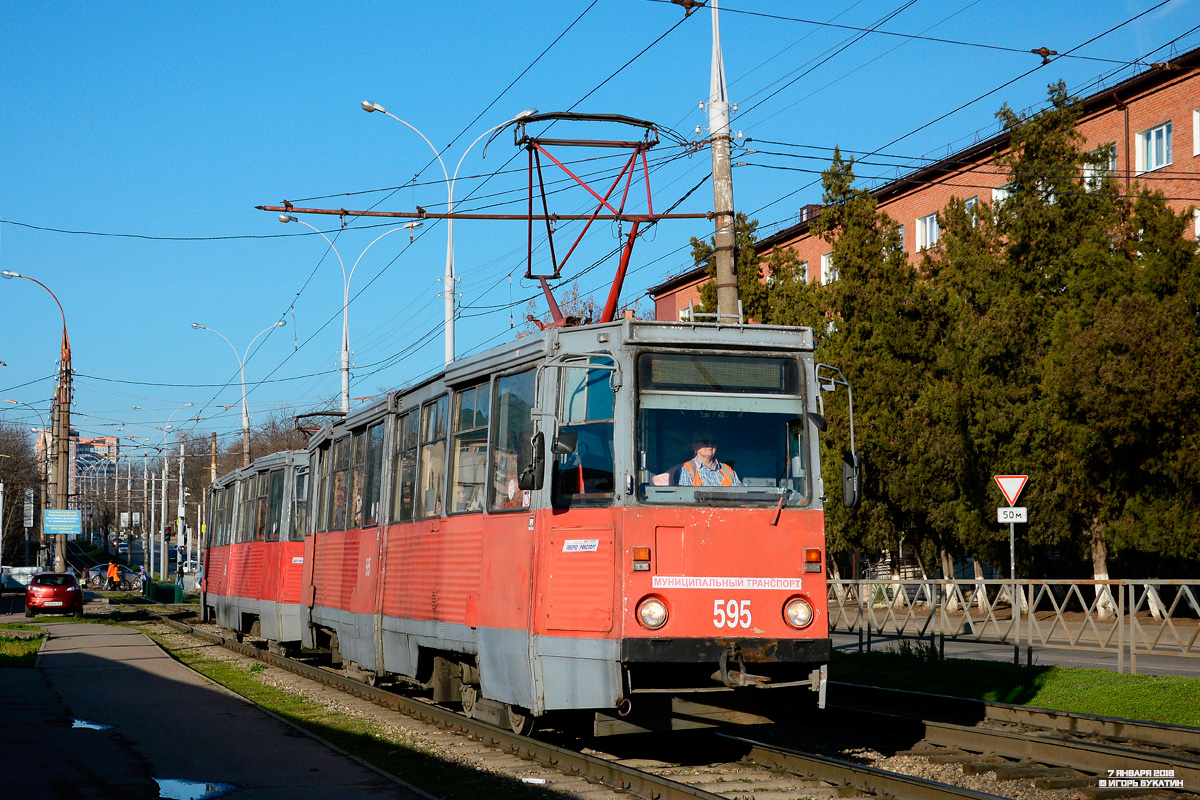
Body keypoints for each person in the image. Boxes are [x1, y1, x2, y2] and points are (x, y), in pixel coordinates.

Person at [655, 432, 741, 487]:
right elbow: (685, 501)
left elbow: (740, 495)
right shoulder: (685, 469)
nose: (710, 445)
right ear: (694, 445)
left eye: (713, 442)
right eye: (705, 441)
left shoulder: (727, 470)